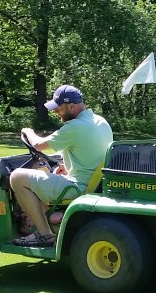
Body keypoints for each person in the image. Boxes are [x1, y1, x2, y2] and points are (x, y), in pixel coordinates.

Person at [11, 84, 113, 247]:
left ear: (71, 106)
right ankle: (41, 225)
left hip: (78, 187)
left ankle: (44, 235)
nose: (55, 112)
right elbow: (93, 155)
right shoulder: (101, 122)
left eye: (58, 108)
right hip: (95, 183)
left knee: (17, 177)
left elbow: (38, 144)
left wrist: (27, 131)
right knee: (48, 176)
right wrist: (69, 167)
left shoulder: (74, 127)